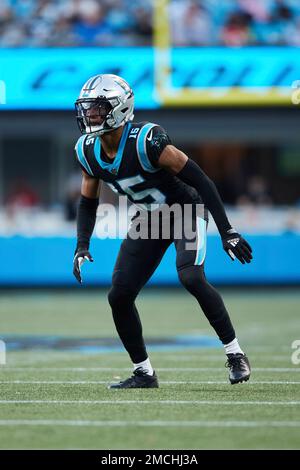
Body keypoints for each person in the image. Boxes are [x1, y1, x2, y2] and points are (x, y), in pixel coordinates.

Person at [73, 74, 253, 388]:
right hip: (148, 218)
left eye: (98, 108)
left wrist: (228, 230)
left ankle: (235, 353)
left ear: (120, 108)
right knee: (119, 295)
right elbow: (88, 202)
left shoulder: (147, 140)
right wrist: (81, 244)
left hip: (184, 209)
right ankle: (144, 372)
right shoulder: (88, 150)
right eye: (88, 108)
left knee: (191, 277)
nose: (91, 115)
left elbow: (201, 180)